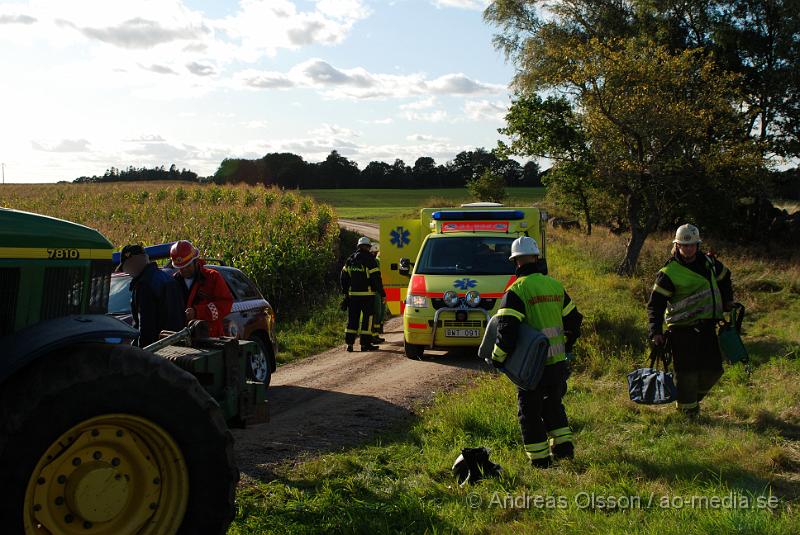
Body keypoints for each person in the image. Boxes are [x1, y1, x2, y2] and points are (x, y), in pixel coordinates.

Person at [491, 236, 583, 467]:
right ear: (536, 257)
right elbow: (574, 321)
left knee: (530, 413)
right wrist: (566, 347)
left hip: (531, 368)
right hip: (557, 363)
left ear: (516, 262)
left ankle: (541, 461)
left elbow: (507, 332)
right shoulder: (554, 285)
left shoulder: (516, 290)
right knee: (553, 405)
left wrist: (497, 358)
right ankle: (564, 451)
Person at [647, 224, 733, 418]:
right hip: (681, 332)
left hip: (708, 327)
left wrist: (728, 300)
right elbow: (655, 306)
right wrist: (655, 332)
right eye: (684, 245)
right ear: (676, 245)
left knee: (714, 370)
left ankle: (690, 400)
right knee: (686, 375)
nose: (688, 249)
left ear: (698, 245)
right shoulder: (668, 272)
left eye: (692, 245)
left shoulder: (710, 263)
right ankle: (687, 416)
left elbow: (725, 277)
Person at [118, 244, 185, 347]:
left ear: (133, 262)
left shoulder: (144, 285)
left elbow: (146, 326)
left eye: (125, 267)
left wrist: (141, 353)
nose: (126, 271)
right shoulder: (168, 278)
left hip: (156, 349)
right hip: (176, 346)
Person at [170, 240, 234, 338]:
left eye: (188, 266)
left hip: (210, 337)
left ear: (195, 261)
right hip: (182, 338)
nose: (185, 270)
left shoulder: (212, 277)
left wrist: (197, 312)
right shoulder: (174, 282)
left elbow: (225, 304)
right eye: (181, 268)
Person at [340, 236, 385, 352]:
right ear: (368, 247)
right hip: (367, 296)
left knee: (352, 320)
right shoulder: (370, 260)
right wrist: (381, 292)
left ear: (358, 246)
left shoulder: (350, 260)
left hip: (353, 296)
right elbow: (376, 278)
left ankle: (349, 344)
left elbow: (343, 277)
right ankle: (365, 345)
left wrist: (345, 293)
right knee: (367, 320)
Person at [370, 243, 387, 344]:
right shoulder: (376, 261)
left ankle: (376, 332)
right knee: (377, 312)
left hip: (376, 289)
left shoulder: (375, 261)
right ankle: (375, 333)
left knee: (378, 312)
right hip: (377, 290)